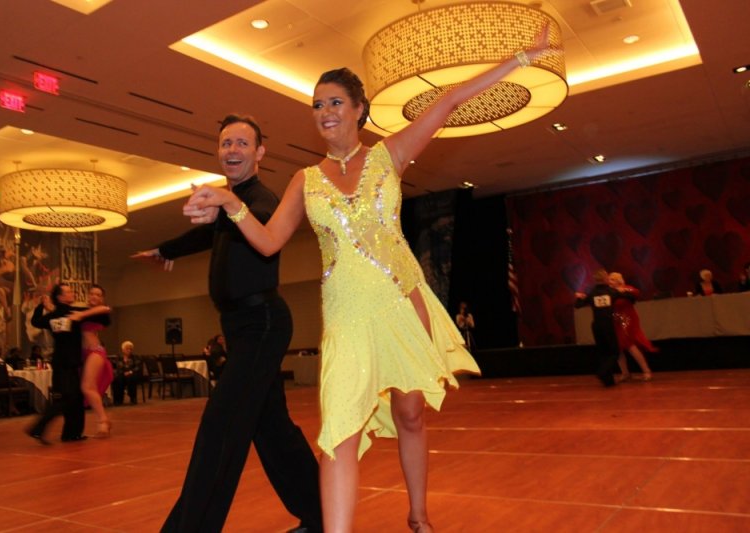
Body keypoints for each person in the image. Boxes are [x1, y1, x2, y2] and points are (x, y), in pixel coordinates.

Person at [177, 28, 551, 529]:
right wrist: (229, 202)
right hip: (347, 314)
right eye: (316, 105)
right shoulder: (304, 181)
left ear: (358, 108)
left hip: (400, 299)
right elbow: (267, 243)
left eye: (334, 101)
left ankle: (418, 516)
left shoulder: (388, 156)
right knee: (340, 429)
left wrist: (521, 57)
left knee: (411, 413)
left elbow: (447, 100)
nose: (324, 111)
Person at [133, 114, 322, 533]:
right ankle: (321, 517)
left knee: (220, 429)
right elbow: (204, 236)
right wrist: (165, 249)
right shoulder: (228, 207)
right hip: (241, 330)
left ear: (259, 153)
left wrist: (224, 203)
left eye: (241, 143)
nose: (231, 151)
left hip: (263, 324)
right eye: (225, 144)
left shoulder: (260, 199)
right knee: (272, 431)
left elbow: (261, 222)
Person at [26, 283, 93, 444]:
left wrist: (41, 306)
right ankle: (37, 428)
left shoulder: (54, 316)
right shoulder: (72, 313)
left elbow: (36, 321)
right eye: (69, 291)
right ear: (60, 297)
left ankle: (72, 433)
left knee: (75, 398)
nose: (72, 293)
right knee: (66, 399)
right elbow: (92, 313)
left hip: (64, 362)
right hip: (67, 364)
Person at [575, 270, 635, 388]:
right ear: (605, 279)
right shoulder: (611, 291)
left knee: (603, 353)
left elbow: (578, 305)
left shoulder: (592, 293)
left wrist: (579, 297)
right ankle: (602, 372)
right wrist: (623, 290)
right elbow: (631, 298)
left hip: (596, 326)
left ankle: (609, 381)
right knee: (615, 352)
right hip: (607, 326)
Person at [69, 284, 113, 438]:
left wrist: (80, 316)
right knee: (89, 388)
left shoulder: (100, 312)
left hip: (95, 352)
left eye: (98, 295)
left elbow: (105, 309)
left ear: (102, 298)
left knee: (87, 387)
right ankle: (103, 420)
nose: (94, 296)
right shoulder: (85, 311)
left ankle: (103, 421)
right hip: (83, 354)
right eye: (92, 294)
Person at [608, 272, 655, 382]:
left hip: (628, 319)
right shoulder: (609, 292)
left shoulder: (626, 288)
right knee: (618, 347)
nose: (610, 282)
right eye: (609, 280)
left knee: (630, 345)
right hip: (616, 321)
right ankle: (625, 373)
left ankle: (646, 371)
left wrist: (622, 291)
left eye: (612, 280)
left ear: (618, 280)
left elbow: (636, 293)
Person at [112, 340, 141, 405]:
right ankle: (118, 400)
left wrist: (130, 372)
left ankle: (133, 398)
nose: (129, 350)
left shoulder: (135, 357)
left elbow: (137, 367)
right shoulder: (118, 358)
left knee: (131, 378)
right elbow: (116, 367)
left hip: (132, 374)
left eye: (130, 349)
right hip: (122, 374)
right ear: (123, 350)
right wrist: (122, 373)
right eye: (127, 349)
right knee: (117, 379)